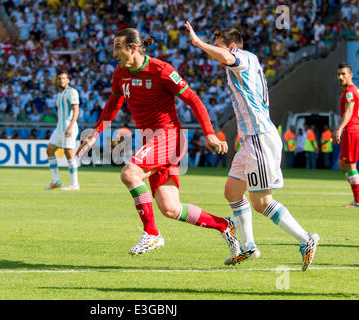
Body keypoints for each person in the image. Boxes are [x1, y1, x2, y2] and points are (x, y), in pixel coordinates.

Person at [76, 28, 241, 260]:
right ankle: (225, 225)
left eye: (118, 47)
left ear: (133, 48)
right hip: (150, 139)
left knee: (129, 174)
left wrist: (210, 133)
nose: (114, 54)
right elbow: (113, 104)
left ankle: (151, 233)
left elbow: (193, 99)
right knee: (170, 209)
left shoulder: (161, 70)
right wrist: (95, 132)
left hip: (168, 136)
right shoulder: (120, 73)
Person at [184, 21, 319, 271]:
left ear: (232, 47)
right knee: (232, 192)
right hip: (250, 139)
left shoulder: (242, 58)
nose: (215, 52)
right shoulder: (245, 61)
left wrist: (198, 43)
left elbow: (227, 56)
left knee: (262, 202)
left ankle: (306, 239)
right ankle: (248, 247)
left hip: (259, 136)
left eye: (218, 46)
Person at [45, 72, 80, 191]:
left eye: (63, 78)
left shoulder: (72, 92)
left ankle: (74, 184)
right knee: (50, 150)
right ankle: (56, 181)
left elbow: (76, 110)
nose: (61, 81)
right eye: (59, 79)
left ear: (68, 80)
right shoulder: (59, 94)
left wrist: (70, 127)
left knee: (69, 154)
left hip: (68, 127)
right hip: (59, 128)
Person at [333, 62, 359, 207]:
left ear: (351, 75)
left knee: (350, 165)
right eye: (339, 74)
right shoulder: (353, 90)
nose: (341, 77)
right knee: (342, 164)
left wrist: (339, 128)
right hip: (352, 130)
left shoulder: (350, 91)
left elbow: (349, 111)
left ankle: (357, 200)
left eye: (344, 74)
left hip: (351, 130)